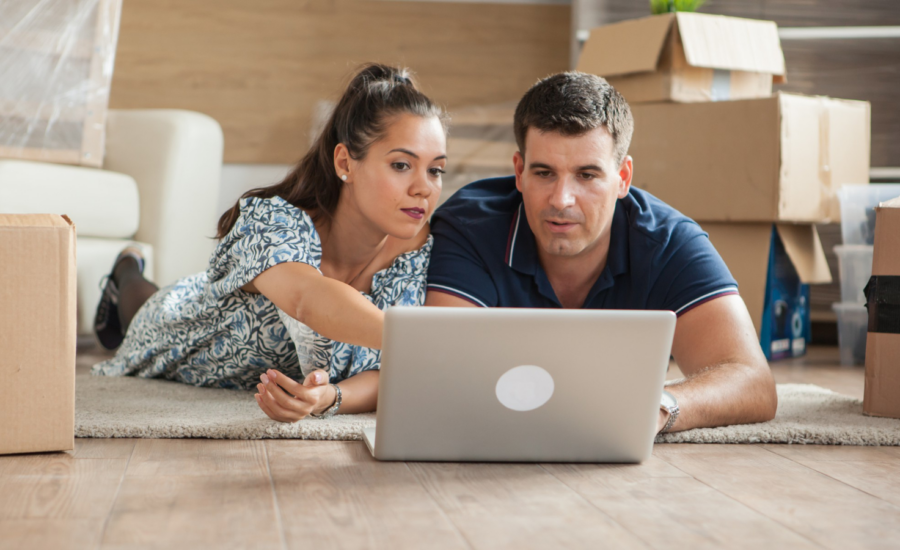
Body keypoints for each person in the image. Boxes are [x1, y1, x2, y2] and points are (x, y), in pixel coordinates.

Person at [425, 72, 777, 434]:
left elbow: (753, 382)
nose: (561, 200)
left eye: (587, 175)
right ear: (519, 171)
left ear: (623, 177)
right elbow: (440, 369)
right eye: (544, 173)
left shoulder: (669, 241)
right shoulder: (469, 228)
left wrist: (658, 407)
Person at [92, 63, 448, 422]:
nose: (424, 188)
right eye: (402, 165)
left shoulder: (421, 251)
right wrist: (420, 341)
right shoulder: (273, 220)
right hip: (182, 329)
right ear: (345, 163)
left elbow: (394, 371)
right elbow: (308, 300)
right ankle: (126, 270)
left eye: (435, 170)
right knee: (140, 307)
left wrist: (331, 397)